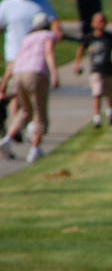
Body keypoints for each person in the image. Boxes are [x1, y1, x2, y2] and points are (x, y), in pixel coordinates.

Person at [0, 12, 60, 163]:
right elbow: (48, 52)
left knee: (25, 111)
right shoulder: (48, 36)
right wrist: (54, 74)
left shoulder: (27, 39)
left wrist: (5, 83)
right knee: (40, 112)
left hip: (19, 74)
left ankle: (7, 139)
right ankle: (35, 148)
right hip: (37, 73)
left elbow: (16, 60)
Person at [0, 0, 60, 70]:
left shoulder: (41, 2)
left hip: (37, 58)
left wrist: (56, 33)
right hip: (14, 55)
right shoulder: (6, 4)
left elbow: (53, 20)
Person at [72, 12, 112, 127]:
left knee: (109, 92)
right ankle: (97, 117)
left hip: (109, 69)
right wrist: (77, 64)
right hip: (95, 69)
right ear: (93, 23)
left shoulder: (110, 37)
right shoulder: (89, 38)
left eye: (103, 21)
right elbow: (81, 50)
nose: (101, 24)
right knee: (97, 92)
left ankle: (110, 112)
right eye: (98, 21)